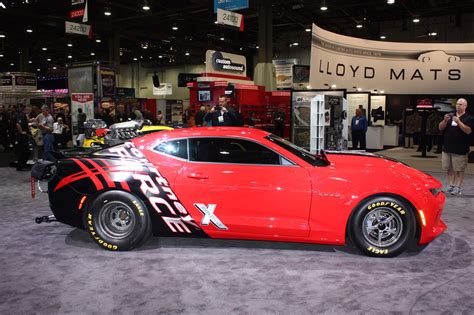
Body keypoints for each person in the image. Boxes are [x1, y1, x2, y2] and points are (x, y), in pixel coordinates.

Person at [438, 98, 474, 195]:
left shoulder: (469, 118)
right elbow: (440, 128)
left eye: (461, 104)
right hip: (447, 148)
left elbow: (468, 131)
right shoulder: (450, 116)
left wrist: (459, 122)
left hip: (460, 149)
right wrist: (445, 121)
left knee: (459, 169)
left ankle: (458, 187)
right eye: (457, 104)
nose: (458, 105)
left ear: (465, 106)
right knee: (449, 169)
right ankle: (451, 186)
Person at [15, 105, 32, 171]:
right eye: (29, 110)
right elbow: (18, 124)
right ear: (26, 109)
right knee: (25, 151)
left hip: (24, 136)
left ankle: (21, 165)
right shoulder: (21, 115)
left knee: (25, 151)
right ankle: (20, 166)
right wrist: (21, 132)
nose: (30, 112)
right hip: (21, 136)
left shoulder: (24, 115)